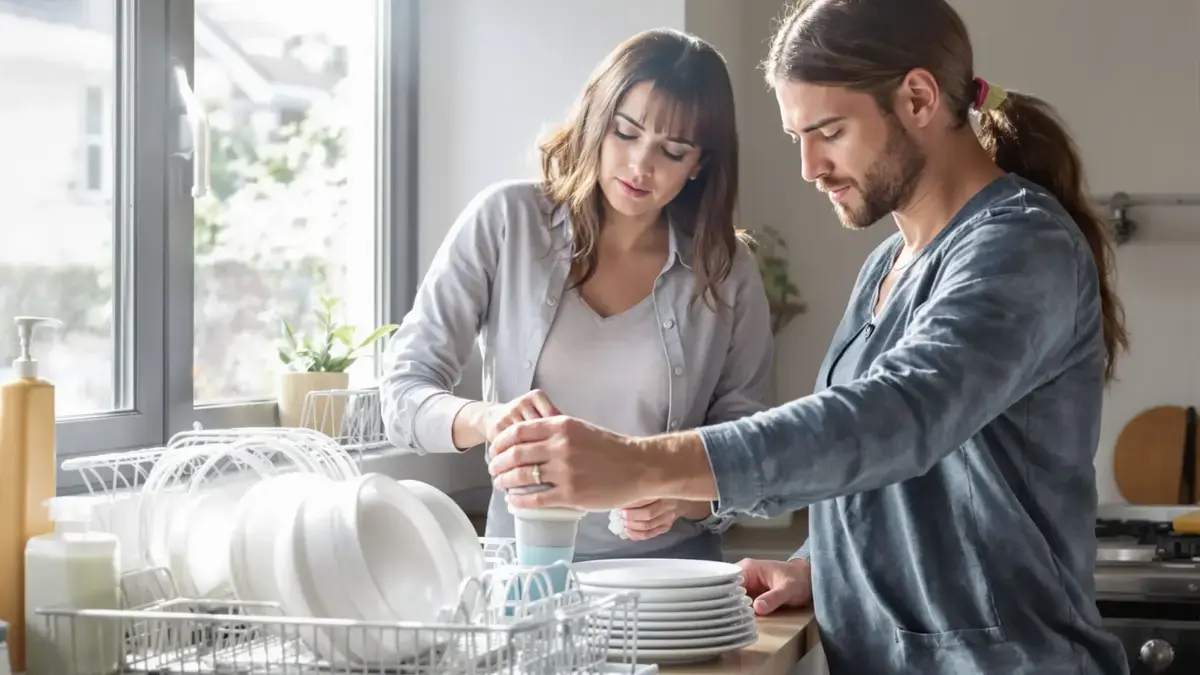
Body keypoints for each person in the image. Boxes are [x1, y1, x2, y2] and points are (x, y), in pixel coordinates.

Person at [486, 1, 1131, 673]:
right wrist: (818, 565)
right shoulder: (888, 264)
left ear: (916, 98)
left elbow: (899, 416)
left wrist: (643, 460)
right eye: (798, 135)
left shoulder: (1022, 247)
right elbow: (877, 475)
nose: (808, 166)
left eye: (828, 130)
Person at [379, 28, 773, 563]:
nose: (640, 165)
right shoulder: (505, 222)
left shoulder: (727, 270)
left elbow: (751, 450)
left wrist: (685, 499)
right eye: (625, 133)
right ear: (595, 119)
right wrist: (488, 419)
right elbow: (403, 393)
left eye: (672, 151)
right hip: (523, 572)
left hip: (673, 584)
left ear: (698, 165)